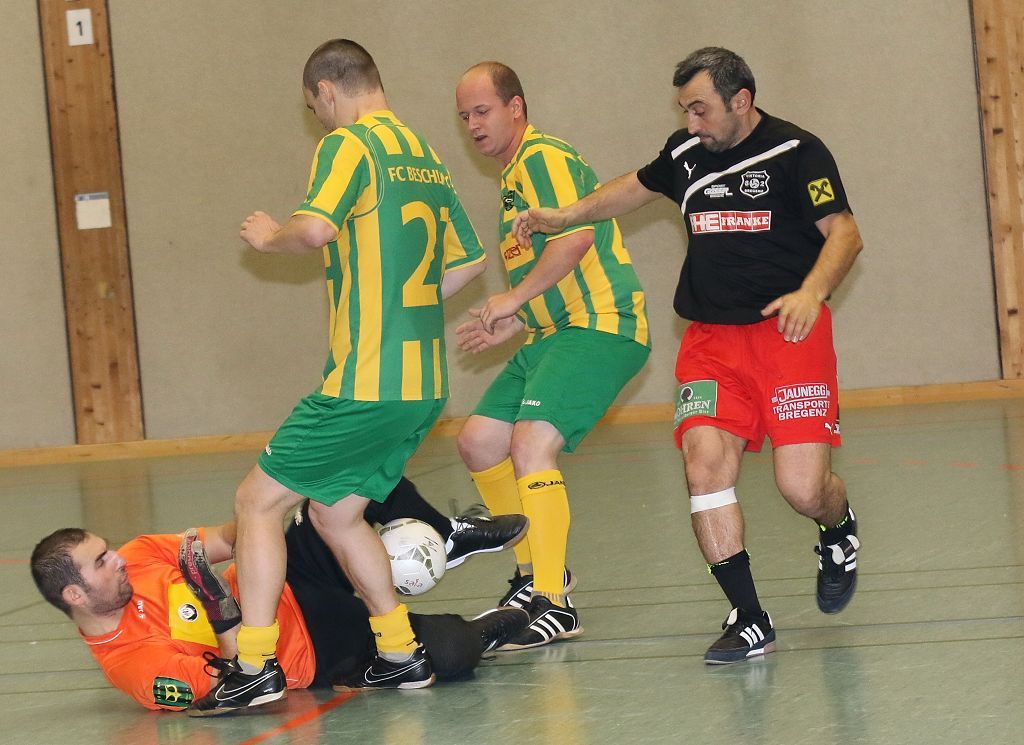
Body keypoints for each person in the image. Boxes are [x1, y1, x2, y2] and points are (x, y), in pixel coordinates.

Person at [514, 47, 864, 664]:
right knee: (704, 469)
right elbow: (632, 188)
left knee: (802, 488)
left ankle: (837, 529)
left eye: (701, 109)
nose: (691, 122)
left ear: (741, 101)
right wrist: (565, 214)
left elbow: (845, 232)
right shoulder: (685, 153)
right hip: (710, 342)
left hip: (789, 334)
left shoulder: (797, 152)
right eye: (685, 110)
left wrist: (812, 291)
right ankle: (749, 617)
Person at [208, 39, 489, 711]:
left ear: (328, 92)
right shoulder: (424, 154)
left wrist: (269, 235)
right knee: (337, 515)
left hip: (364, 383)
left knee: (257, 502)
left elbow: (313, 230)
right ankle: (399, 652)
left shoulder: (349, 145)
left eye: (316, 109)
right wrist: (404, 305)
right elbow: (471, 261)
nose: (320, 121)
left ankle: (255, 663)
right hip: (422, 385)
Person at [29, 477, 530, 714]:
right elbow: (236, 685)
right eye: (101, 562)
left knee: (348, 482)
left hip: (286, 579)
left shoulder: (138, 555)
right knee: (451, 650)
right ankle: (495, 626)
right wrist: (223, 616)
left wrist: (267, 513)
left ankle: (448, 534)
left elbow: (225, 539)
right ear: (75, 594)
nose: (118, 558)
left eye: (108, 550)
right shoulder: (133, 667)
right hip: (314, 651)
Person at [454, 62, 651, 649]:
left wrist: (512, 297)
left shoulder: (544, 157)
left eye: (482, 111)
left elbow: (577, 237)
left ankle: (553, 603)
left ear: (516, 107)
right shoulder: (512, 180)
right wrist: (517, 319)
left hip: (600, 325)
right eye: (464, 116)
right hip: (549, 334)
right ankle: (537, 573)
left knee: (531, 443)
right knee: (479, 441)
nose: (473, 125)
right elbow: (552, 272)